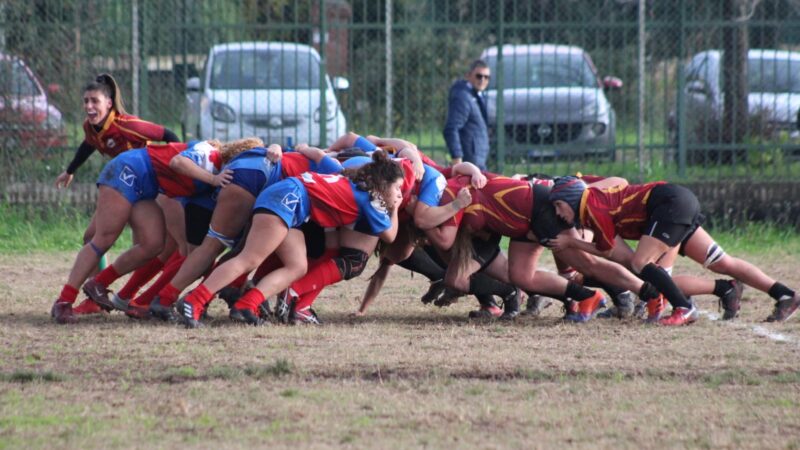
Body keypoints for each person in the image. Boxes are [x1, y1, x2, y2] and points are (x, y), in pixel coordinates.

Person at [174, 151, 404, 328]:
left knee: (297, 266)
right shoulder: (371, 202)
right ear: (384, 185)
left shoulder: (357, 184)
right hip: (287, 199)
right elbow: (391, 235)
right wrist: (395, 208)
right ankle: (194, 300)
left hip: (290, 198)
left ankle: (247, 305)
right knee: (249, 259)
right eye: (398, 189)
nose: (399, 194)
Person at [548, 177, 800, 325]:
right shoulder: (593, 195)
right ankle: (784, 294)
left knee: (642, 265)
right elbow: (620, 184)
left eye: (558, 205)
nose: (558, 213)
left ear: (571, 196)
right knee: (722, 261)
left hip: (667, 208)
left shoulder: (590, 205)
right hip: (674, 203)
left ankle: (687, 306)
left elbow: (609, 250)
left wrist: (572, 243)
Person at [50, 140, 236, 323]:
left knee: (153, 245)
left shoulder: (218, 176)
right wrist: (213, 179)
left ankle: (98, 283)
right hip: (128, 170)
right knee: (104, 239)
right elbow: (177, 161)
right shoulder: (210, 153)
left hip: (146, 186)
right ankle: (64, 302)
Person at [53, 73, 181, 314]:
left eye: (95, 101)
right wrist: (70, 170)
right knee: (93, 238)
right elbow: (89, 143)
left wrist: (180, 164)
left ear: (109, 104)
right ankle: (81, 298)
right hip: (123, 185)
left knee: (153, 244)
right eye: (86, 101)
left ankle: (122, 293)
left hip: (144, 185)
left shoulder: (126, 124)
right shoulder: (91, 126)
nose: (89, 107)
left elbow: (168, 135)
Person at [443, 60, 491, 170]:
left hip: (477, 159)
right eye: (479, 76)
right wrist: (457, 157)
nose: (483, 80)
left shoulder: (475, 95)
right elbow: (451, 128)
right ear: (468, 76)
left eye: (487, 77)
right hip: (470, 161)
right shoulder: (463, 97)